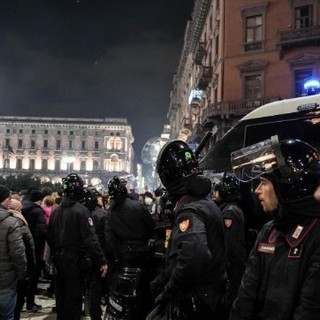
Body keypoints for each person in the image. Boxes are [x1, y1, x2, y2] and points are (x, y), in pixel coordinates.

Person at [229, 135, 320, 319]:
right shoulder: (269, 230)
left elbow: (308, 310)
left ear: (287, 185)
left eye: (263, 182)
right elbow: (246, 294)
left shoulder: (316, 235)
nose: (257, 190)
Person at [149, 140, 227, 319]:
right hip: (211, 295)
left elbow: (194, 256)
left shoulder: (189, 209)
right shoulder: (204, 201)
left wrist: (170, 288)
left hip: (198, 300)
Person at [47, 173, 108, 320]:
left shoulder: (56, 211)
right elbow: (91, 240)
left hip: (59, 261)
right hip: (75, 262)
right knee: (74, 301)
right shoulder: (81, 211)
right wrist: (101, 261)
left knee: (61, 300)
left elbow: (49, 237)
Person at [104, 176, 156, 319]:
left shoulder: (111, 212)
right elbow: (151, 226)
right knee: (142, 287)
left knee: (122, 290)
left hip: (122, 255)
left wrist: (115, 258)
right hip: (140, 253)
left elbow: (109, 239)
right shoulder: (137, 206)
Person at [212, 173, 247, 305]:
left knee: (231, 299)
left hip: (233, 265)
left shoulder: (229, 212)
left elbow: (228, 244)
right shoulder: (232, 208)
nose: (214, 194)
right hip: (235, 263)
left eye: (217, 190)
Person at [0, 185, 27, 320]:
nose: (10, 201)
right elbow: (17, 252)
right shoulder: (11, 222)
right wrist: (22, 274)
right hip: (5, 278)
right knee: (6, 315)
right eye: (8, 198)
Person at [81, 187, 108, 320]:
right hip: (98, 255)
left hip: (83, 256)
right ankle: (94, 315)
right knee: (95, 287)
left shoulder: (80, 213)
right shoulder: (102, 214)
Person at [8, 198, 36, 320]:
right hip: (15, 270)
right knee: (15, 305)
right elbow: (26, 249)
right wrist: (27, 271)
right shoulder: (19, 222)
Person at [21, 189, 46, 312]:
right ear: (40, 200)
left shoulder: (22, 208)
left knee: (22, 276)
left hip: (21, 245)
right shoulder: (38, 212)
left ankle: (19, 304)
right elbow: (40, 232)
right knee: (33, 276)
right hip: (34, 247)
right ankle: (30, 304)